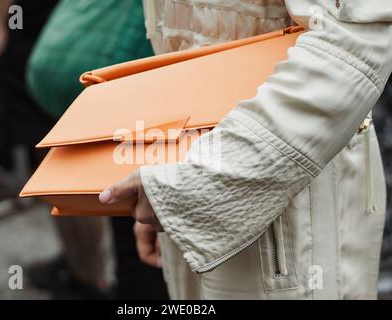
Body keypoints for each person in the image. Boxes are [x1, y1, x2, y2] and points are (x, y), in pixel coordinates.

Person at [99, 0, 392, 299]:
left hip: (289, 204)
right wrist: (169, 188)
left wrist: (198, 186)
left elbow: (356, 32)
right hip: (199, 178)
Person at [26, 0, 168, 300]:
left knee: (141, 226)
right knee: (132, 219)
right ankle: (93, 278)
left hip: (143, 97)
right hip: (125, 96)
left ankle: (98, 281)